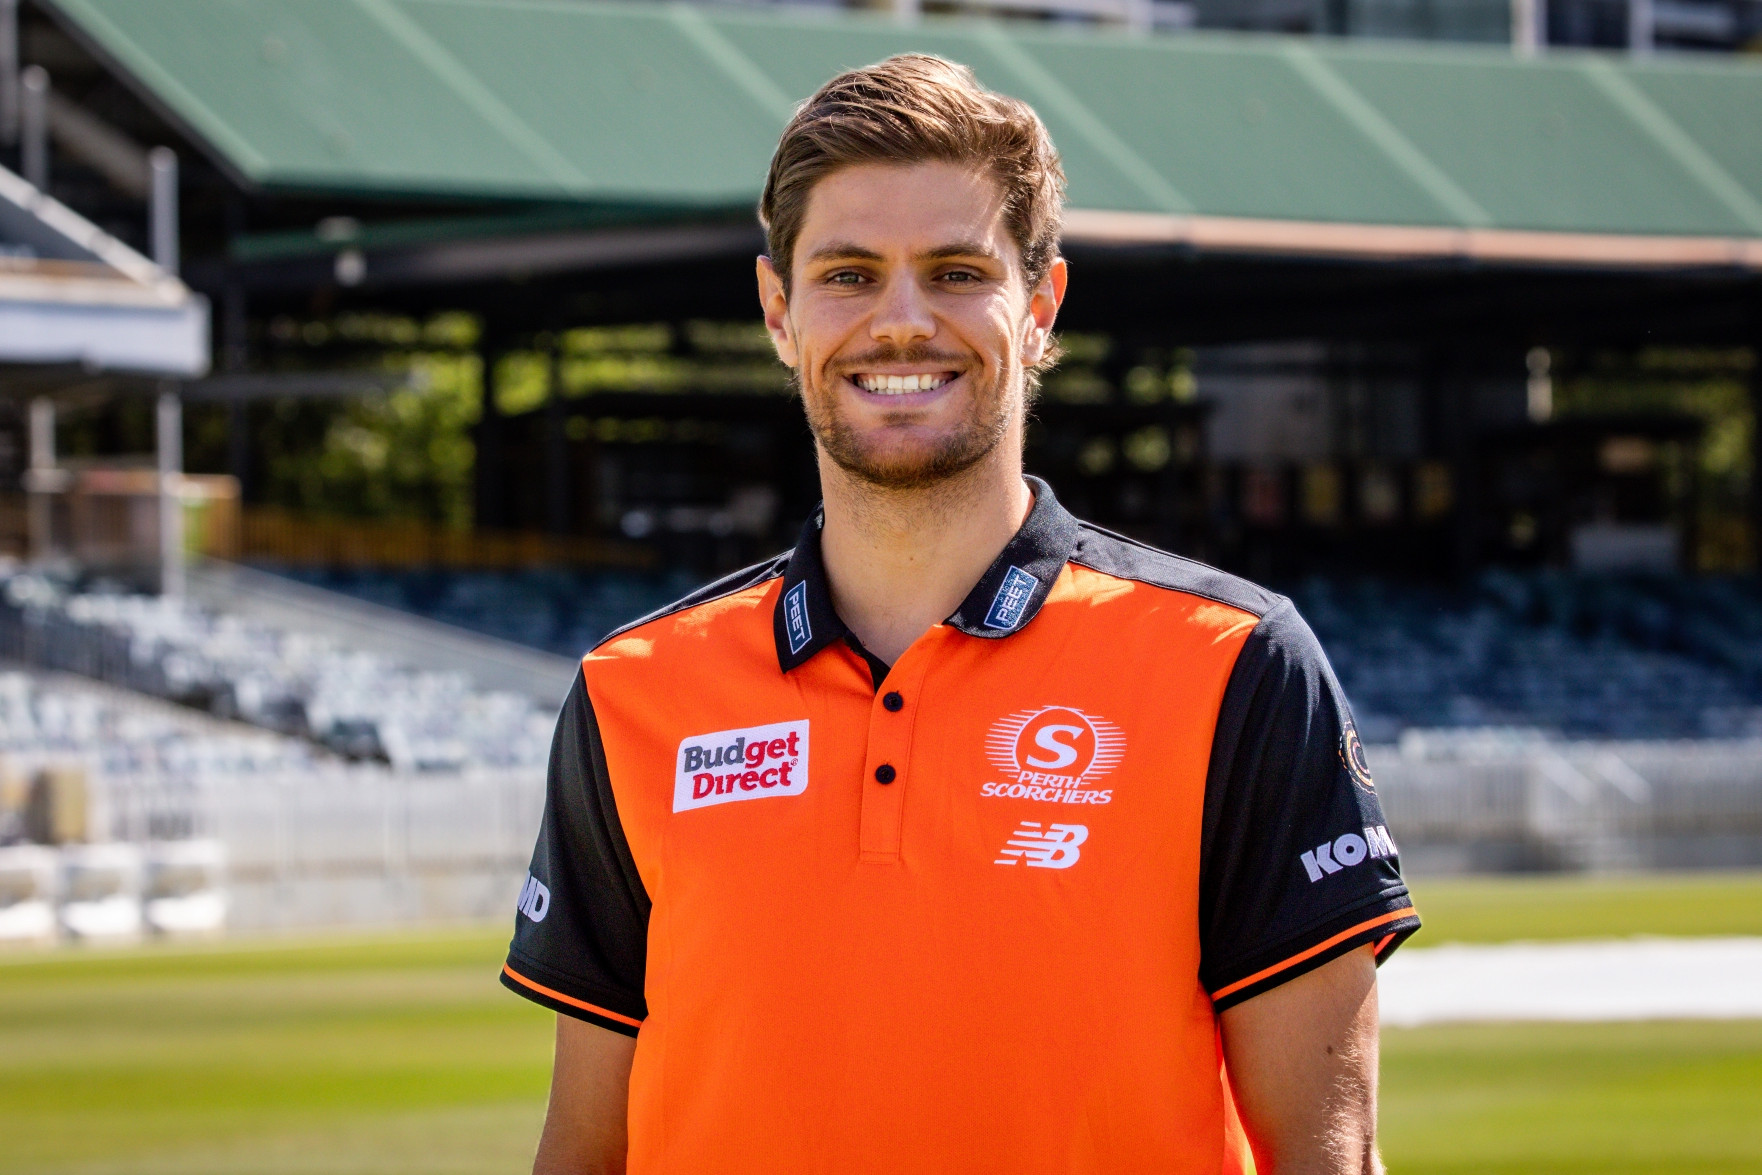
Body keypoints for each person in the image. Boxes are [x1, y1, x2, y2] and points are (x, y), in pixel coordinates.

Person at [502, 53, 1419, 1175]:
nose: (900, 322)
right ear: (777, 310)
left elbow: (1330, 1152)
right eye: (846, 273)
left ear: (1038, 307)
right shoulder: (632, 688)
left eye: (953, 270)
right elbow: (585, 1147)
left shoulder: (1233, 664)